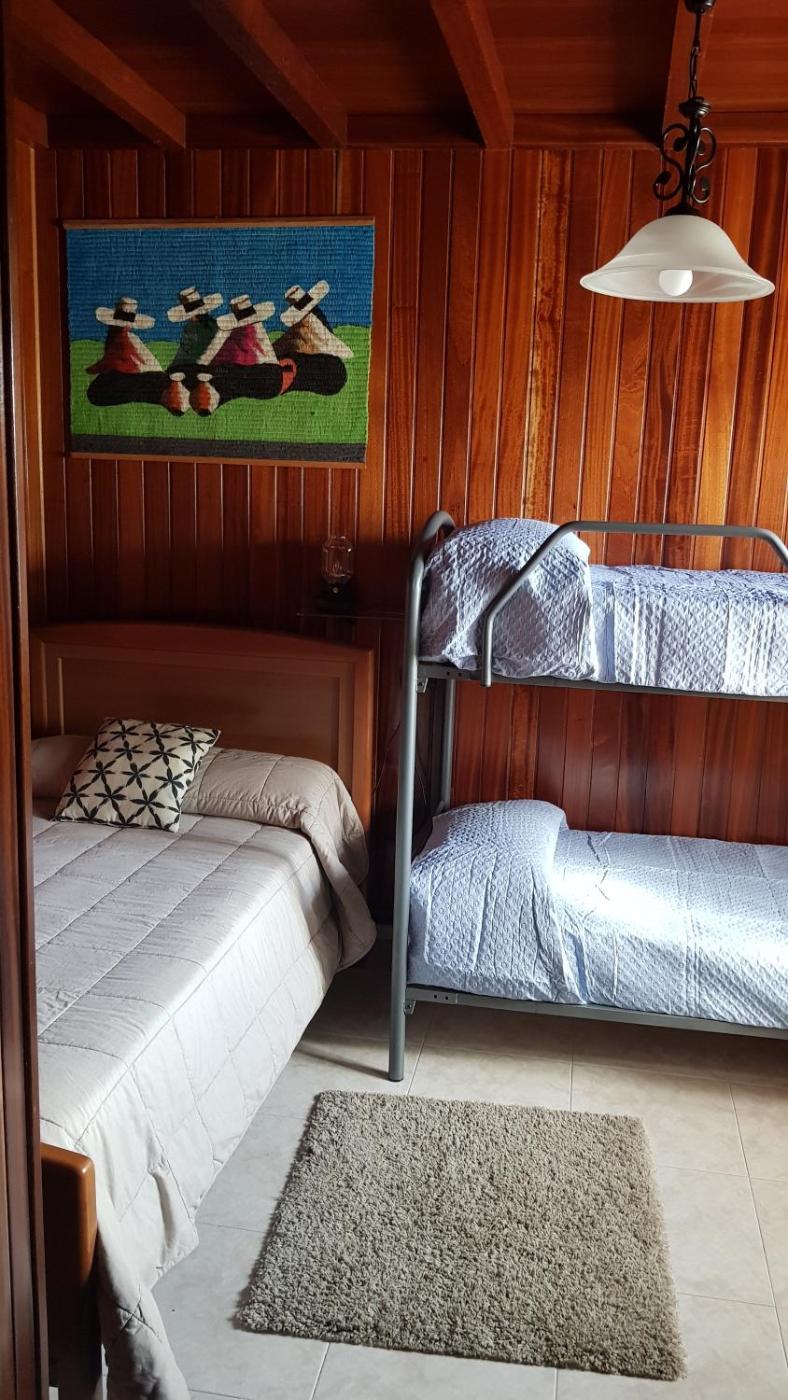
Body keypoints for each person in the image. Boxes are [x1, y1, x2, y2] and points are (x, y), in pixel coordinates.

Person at [86, 297, 166, 406]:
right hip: (123, 377)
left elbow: (114, 361)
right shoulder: (121, 338)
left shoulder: (127, 338)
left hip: (130, 376)